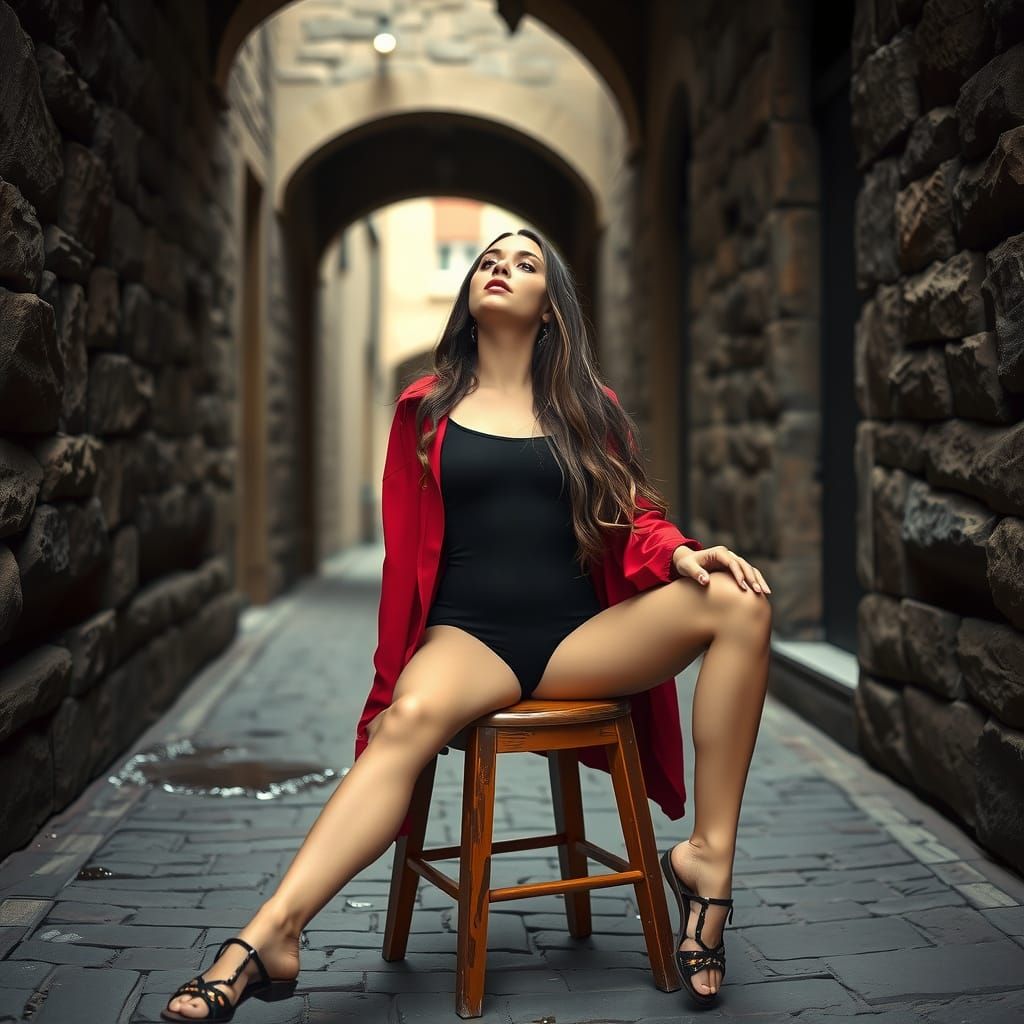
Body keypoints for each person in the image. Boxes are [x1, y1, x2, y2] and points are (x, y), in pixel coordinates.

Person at [162, 229, 771, 1020]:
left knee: (741, 600)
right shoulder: (425, 408)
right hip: (467, 638)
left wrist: (684, 552)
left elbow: (630, 520)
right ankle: (270, 935)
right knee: (408, 722)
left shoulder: (591, 409)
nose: (499, 268)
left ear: (550, 307)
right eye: (488, 259)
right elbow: (401, 567)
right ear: (470, 293)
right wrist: (387, 693)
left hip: (578, 642)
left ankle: (706, 863)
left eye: (524, 263)